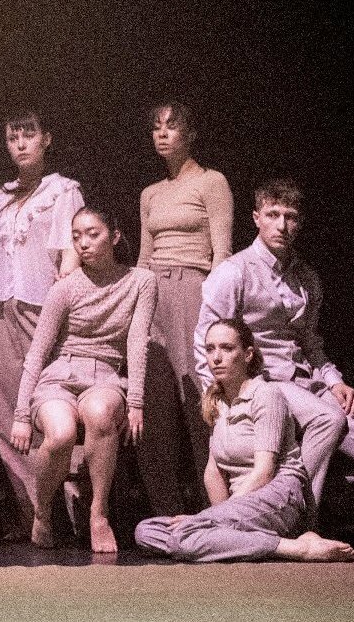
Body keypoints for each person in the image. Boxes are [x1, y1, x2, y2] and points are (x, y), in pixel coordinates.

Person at [196, 178, 354, 505]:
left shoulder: (306, 277)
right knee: (329, 420)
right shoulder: (234, 272)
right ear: (256, 218)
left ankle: (293, 499)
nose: (282, 225)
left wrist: (335, 382)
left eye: (290, 217)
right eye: (273, 214)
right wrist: (220, 398)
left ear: (300, 222)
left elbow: (310, 342)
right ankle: (303, 520)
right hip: (265, 382)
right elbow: (206, 340)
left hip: (311, 383)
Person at [133, 319, 354, 563]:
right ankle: (244, 542)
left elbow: (264, 472)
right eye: (210, 349)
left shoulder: (266, 394)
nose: (216, 357)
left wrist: (213, 518)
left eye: (227, 348)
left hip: (278, 495)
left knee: (187, 533)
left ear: (248, 354)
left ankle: (296, 548)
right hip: (240, 503)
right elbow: (214, 470)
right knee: (145, 531)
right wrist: (215, 520)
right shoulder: (216, 400)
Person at [9, 208, 157, 552]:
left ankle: (98, 513)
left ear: (115, 236)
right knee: (60, 434)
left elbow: (137, 342)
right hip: (59, 376)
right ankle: (42, 510)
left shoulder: (140, 281)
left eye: (93, 234)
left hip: (105, 374)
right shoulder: (65, 288)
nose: (83, 243)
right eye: (76, 236)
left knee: (100, 412)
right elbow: (38, 352)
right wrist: (20, 414)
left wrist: (135, 401)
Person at [0, 111, 84, 536]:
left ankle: (65, 509)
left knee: (48, 407)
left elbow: (71, 252)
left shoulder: (63, 191)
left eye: (28, 136)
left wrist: (64, 296)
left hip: (43, 309)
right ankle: (32, 513)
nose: (20, 144)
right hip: (2, 311)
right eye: (12, 137)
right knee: (6, 416)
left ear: (46, 140)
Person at [136, 102, 233, 515]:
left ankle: (217, 506)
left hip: (195, 288)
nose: (162, 134)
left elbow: (223, 252)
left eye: (172, 127)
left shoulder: (211, 182)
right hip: (153, 291)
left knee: (198, 397)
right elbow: (143, 258)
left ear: (190, 134)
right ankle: (167, 512)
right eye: (156, 127)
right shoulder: (150, 193)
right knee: (155, 404)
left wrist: (214, 310)